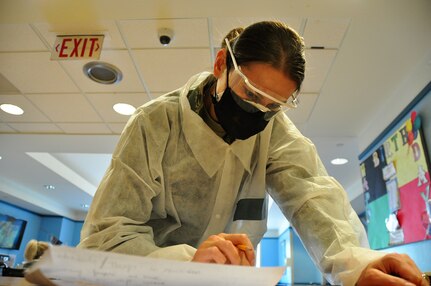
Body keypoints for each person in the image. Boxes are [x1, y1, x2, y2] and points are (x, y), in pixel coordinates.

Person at [78, 21, 429, 286]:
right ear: (221, 64)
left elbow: (312, 195)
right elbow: (105, 239)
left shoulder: (272, 130)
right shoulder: (155, 123)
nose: (257, 110)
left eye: (273, 103)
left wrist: (357, 264)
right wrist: (183, 262)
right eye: (250, 91)